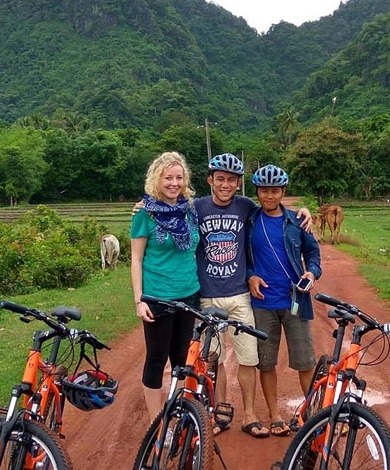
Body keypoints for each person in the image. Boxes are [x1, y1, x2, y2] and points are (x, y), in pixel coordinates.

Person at [131, 153, 312, 437]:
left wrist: (304, 211)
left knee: (249, 358)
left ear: (238, 184)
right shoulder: (195, 207)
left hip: (240, 296)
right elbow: (163, 208)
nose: (225, 185)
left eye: (231, 180)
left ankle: (250, 415)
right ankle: (218, 412)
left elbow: (273, 206)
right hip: (205, 297)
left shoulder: (246, 207)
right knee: (211, 360)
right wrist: (144, 205)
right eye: (220, 179)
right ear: (210, 180)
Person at [246, 164, 321, 437]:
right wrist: (250, 275)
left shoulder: (297, 221)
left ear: (283, 192)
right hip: (263, 303)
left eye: (274, 190)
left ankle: (315, 415)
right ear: (257, 192)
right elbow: (241, 257)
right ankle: (275, 416)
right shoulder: (249, 222)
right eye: (264, 190)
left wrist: (312, 272)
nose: (269, 196)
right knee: (266, 362)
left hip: (295, 300)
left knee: (305, 360)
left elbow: (313, 254)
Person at [131, 151, 200, 423]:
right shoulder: (144, 213)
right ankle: (156, 423)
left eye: (179, 177)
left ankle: (183, 414)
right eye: (168, 178)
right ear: (156, 180)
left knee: (183, 360)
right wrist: (139, 300)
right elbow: (136, 259)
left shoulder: (190, 210)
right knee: (157, 358)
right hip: (157, 296)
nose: (174, 183)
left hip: (189, 294)